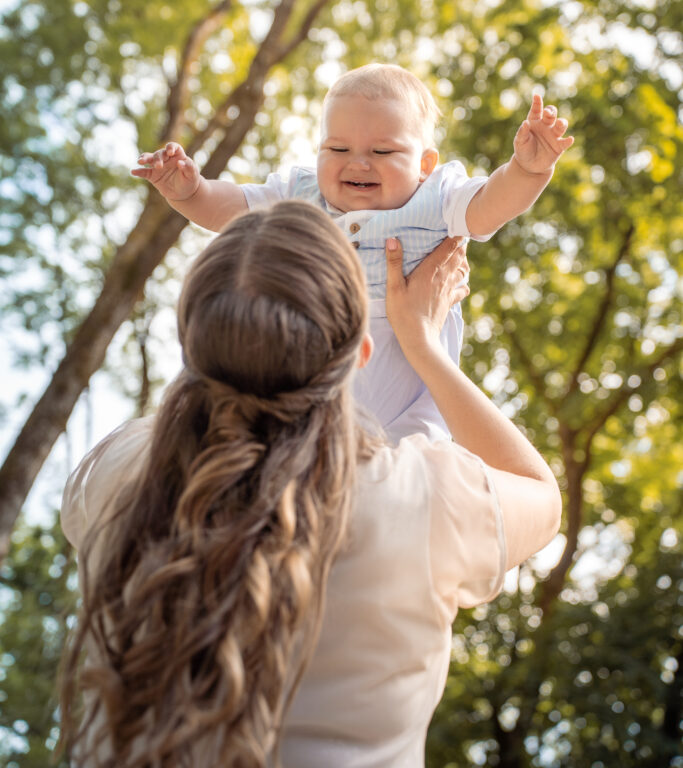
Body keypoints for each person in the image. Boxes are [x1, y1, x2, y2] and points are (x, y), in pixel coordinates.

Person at [59, 201, 562, 768]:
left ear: (193, 345)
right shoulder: (422, 500)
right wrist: (421, 341)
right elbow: (540, 494)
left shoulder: (114, 476)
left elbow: (203, 402)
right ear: (358, 360)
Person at [132, 64, 574, 443]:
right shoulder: (301, 193)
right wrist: (192, 191)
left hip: (408, 382)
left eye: (382, 151)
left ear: (424, 164)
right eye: (337, 149)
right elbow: (235, 210)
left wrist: (526, 170)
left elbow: (486, 210)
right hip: (311, 356)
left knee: (410, 459)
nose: (358, 163)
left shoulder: (437, 196)